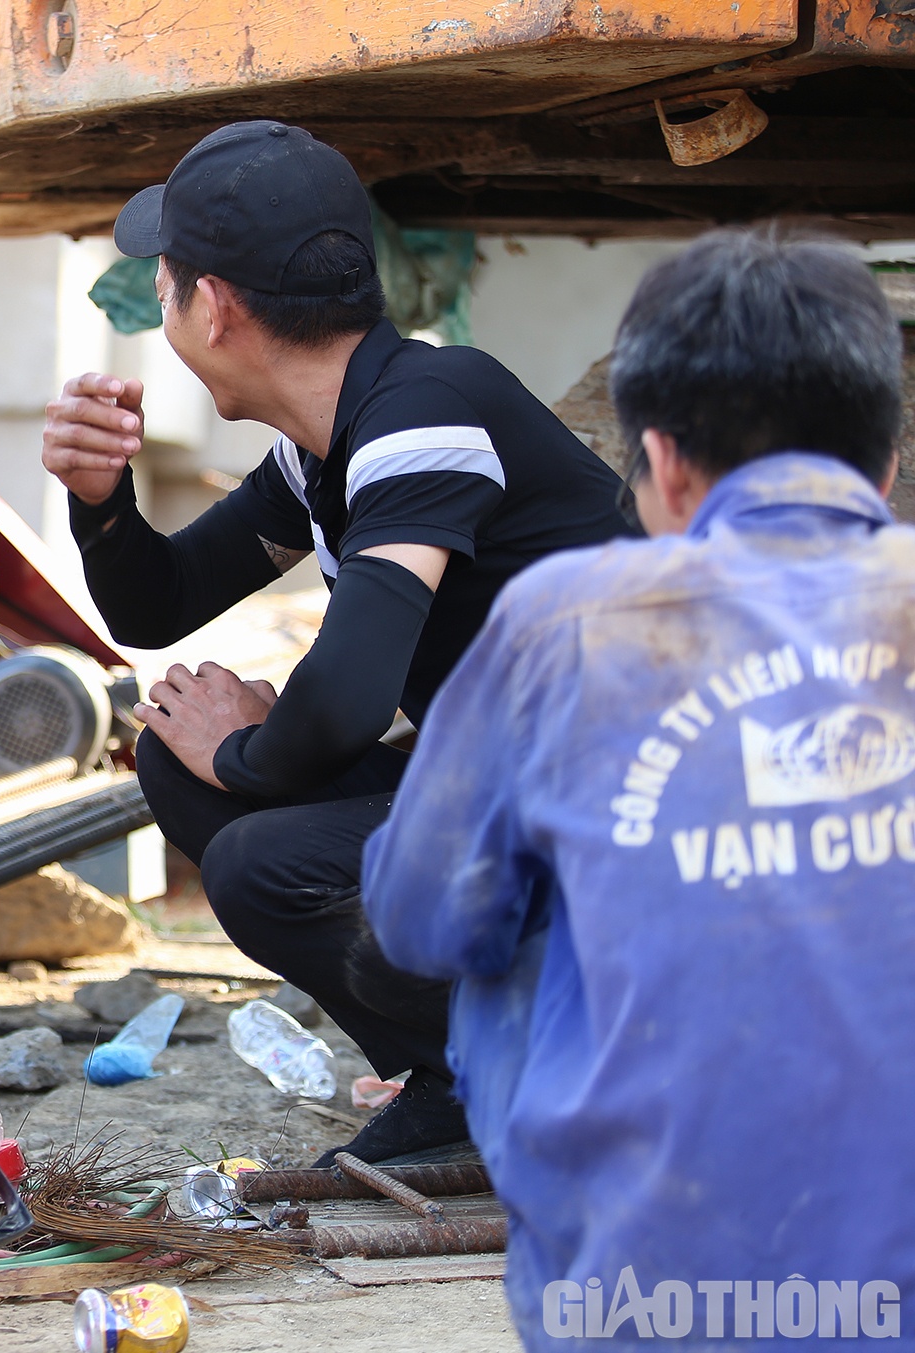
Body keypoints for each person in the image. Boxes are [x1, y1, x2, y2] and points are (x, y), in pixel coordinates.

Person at [40, 121, 629, 1163]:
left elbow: (349, 696)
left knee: (264, 858)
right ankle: (456, 1079)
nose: (165, 309)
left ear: (210, 308)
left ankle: (534, 1076)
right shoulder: (331, 438)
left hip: (623, 826)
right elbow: (157, 603)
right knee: (186, 777)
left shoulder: (423, 416)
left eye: (165, 285)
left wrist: (239, 747)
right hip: (517, 793)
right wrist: (100, 504)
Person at [364, 230, 914, 1346]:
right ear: (889, 461)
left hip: (657, 1303)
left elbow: (419, 918)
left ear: (660, 462)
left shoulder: (569, 619)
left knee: (510, 926)